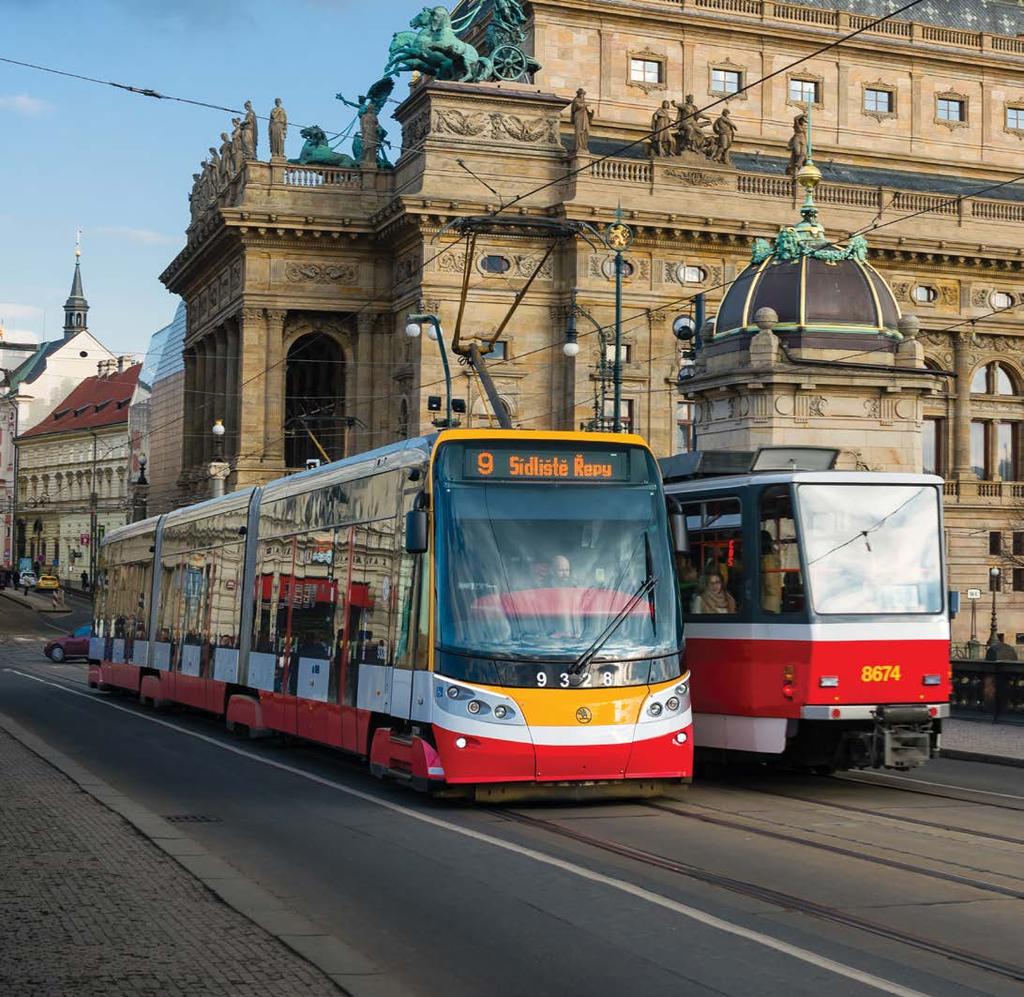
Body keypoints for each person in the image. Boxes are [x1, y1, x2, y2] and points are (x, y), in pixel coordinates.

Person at [761, 530, 783, 614]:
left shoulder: (767, 559)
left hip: (768, 604)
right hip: (773, 600)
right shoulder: (773, 555)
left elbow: (770, 582)